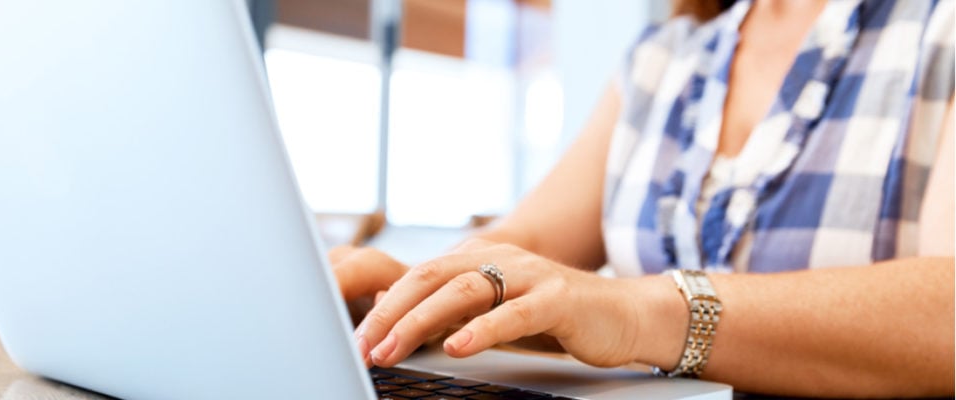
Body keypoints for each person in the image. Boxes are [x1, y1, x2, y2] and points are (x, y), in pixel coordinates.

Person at [330, 0, 955, 397]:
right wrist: (414, 292)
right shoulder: (665, 60)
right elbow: (532, 248)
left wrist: (638, 313)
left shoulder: (938, 31)